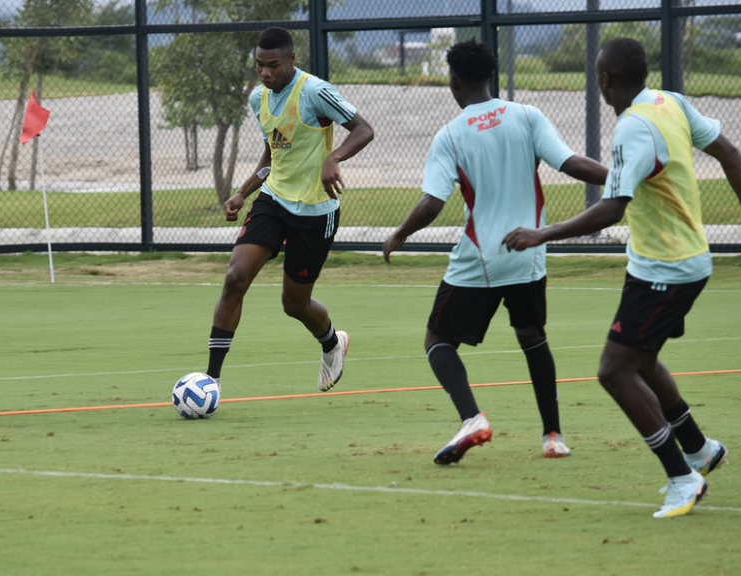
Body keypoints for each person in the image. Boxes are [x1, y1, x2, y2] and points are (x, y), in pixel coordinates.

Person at [502, 38, 741, 518]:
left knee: (614, 371)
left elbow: (610, 210)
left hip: (665, 271)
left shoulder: (632, 127)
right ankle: (699, 449)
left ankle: (681, 477)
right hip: (674, 262)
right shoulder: (670, 102)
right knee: (643, 360)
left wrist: (541, 234)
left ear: (605, 80)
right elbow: (730, 152)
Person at [382, 40, 609, 465]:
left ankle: (472, 418)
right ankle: (553, 436)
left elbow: (432, 202)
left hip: (479, 260)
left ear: (453, 80)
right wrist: (620, 181)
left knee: (437, 339)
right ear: (491, 76)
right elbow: (573, 163)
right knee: (533, 339)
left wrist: (399, 234)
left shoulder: (450, 135)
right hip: (529, 251)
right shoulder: (526, 116)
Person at [205, 27, 374, 392]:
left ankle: (332, 343)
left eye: (273, 66)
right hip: (273, 200)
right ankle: (211, 380)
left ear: (291, 60)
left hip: (315, 212)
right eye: (259, 66)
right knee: (235, 278)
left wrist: (334, 157)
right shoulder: (258, 99)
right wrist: (243, 192)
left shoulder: (314, 91)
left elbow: (364, 130)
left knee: (294, 304)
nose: (265, 73)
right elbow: (273, 153)